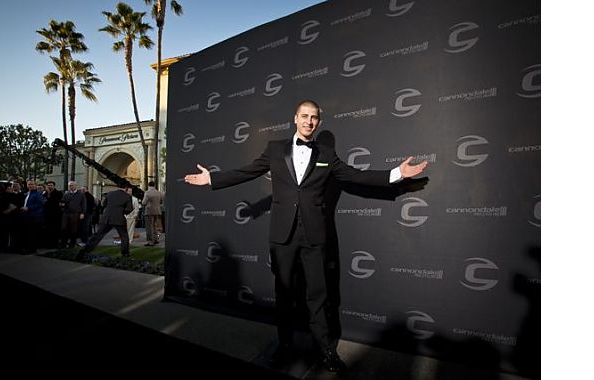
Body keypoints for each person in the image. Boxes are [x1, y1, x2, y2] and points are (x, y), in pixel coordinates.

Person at [184, 99, 428, 373]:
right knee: (284, 294)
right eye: (304, 116)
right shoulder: (275, 149)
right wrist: (213, 179)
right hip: (282, 235)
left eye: (314, 118)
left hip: (315, 236)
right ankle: (284, 346)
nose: (309, 121)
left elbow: (356, 176)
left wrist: (397, 174)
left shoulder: (327, 153)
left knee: (318, 296)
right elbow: (247, 171)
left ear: (318, 122)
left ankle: (325, 351)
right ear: (295, 119)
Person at [77, 182, 134, 259]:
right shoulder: (127, 196)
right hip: (119, 218)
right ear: (126, 188)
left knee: (98, 235)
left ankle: (85, 250)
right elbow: (129, 209)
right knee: (124, 236)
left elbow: (104, 204)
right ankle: (125, 253)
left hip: (106, 217)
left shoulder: (110, 194)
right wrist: (123, 212)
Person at [59, 180, 85, 249]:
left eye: (72, 185)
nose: (71, 187)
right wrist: (62, 204)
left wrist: (82, 213)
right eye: (70, 185)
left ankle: (72, 244)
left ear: (76, 186)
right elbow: (62, 201)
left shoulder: (81, 194)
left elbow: (83, 204)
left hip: (75, 213)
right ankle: (63, 244)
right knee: (64, 228)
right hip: (66, 213)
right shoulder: (66, 194)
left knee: (73, 229)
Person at [142, 181, 164, 246]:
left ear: (149, 185)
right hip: (157, 211)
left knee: (149, 226)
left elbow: (144, 202)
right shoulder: (159, 193)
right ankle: (156, 239)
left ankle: (150, 241)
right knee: (155, 226)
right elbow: (161, 202)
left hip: (149, 211)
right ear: (154, 185)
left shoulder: (147, 192)